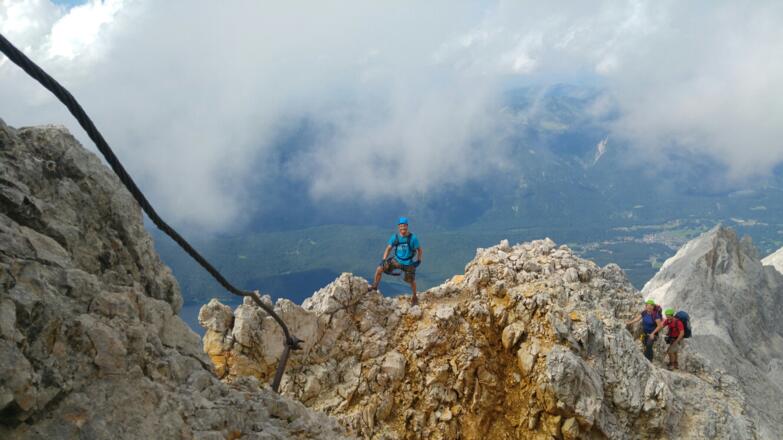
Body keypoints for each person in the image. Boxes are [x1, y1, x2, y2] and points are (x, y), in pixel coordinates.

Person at [369, 217, 422, 305]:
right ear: (398, 227)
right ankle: (375, 286)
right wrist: (383, 260)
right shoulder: (395, 237)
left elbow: (419, 249)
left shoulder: (413, 238)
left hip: (408, 262)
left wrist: (419, 260)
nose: (403, 228)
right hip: (396, 260)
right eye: (401, 226)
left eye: (404, 226)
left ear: (407, 226)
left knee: (411, 281)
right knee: (379, 269)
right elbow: (388, 248)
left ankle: (414, 297)